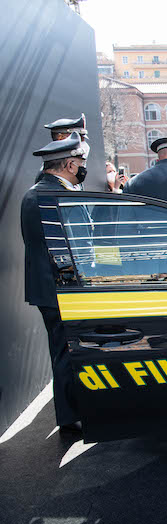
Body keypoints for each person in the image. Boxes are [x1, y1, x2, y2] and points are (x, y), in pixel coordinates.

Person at [21, 133, 91, 434]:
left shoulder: (34, 193)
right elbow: (75, 246)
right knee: (67, 354)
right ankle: (70, 416)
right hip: (63, 288)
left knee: (61, 352)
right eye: (80, 163)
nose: (82, 168)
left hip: (48, 288)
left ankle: (69, 414)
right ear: (70, 165)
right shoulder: (57, 196)